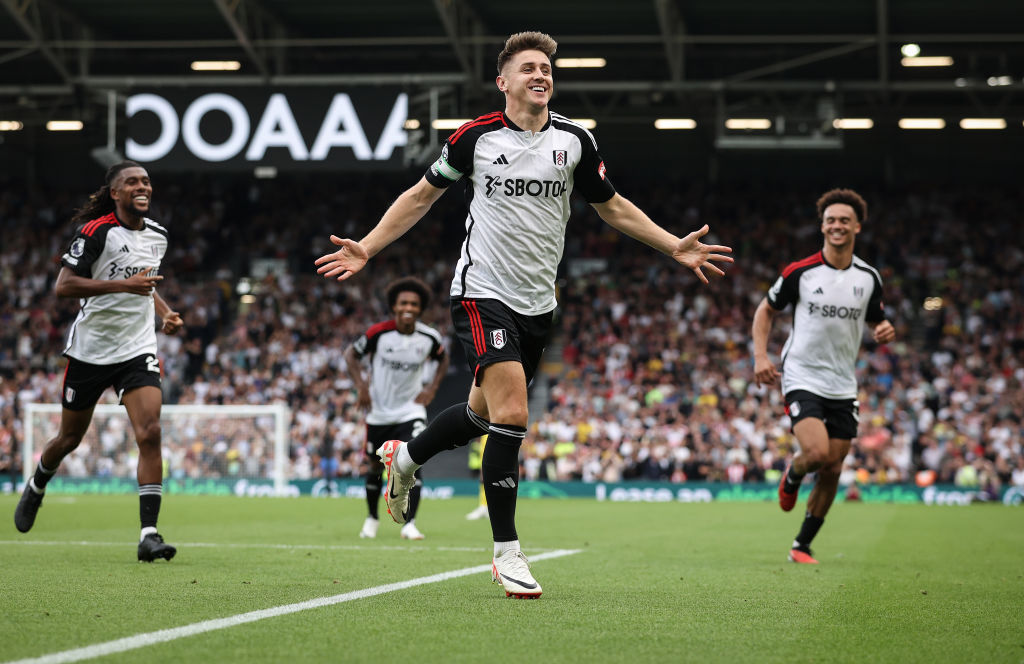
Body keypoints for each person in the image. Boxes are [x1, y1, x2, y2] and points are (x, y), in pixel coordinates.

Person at [316, 30, 733, 598]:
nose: (542, 75)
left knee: (479, 416)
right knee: (511, 415)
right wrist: (367, 246)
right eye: (530, 68)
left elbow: (611, 207)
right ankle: (507, 552)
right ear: (503, 81)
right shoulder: (475, 139)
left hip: (540, 303)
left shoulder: (575, 141)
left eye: (548, 69)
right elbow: (420, 196)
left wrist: (672, 245)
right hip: (482, 289)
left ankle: (406, 457)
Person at [13, 161, 183, 563]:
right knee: (69, 439)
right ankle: (38, 482)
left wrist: (163, 310)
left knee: (151, 431)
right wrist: (124, 285)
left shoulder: (157, 236)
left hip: (136, 348)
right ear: (116, 193)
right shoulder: (96, 232)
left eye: (145, 181)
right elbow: (65, 285)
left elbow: (145, 282)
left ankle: (149, 534)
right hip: (91, 351)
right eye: (131, 182)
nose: (142, 186)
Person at [752, 188, 895, 564]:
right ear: (823, 225)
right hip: (802, 374)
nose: (837, 226)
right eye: (831, 220)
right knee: (814, 453)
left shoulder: (869, 277)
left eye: (844, 220)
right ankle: (793, 474)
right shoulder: (800, 272)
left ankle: (801, 546)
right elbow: (765, 311)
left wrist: (884, 329)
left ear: (857, 227)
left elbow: (878, 319)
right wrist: (760, 356)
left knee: (833, 467)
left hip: (843, 383)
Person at [345, 277, 449, 541]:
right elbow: (350, 355)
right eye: (403, 302)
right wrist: (361, 386)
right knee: (373, 466)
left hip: (410, 410)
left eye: (414, 304)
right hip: (379, 412)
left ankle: (409, 524)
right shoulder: (378, 333)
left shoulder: (429, 337)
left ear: (420, 308)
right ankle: (371, 519)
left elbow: (443, 357)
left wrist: (433, 388)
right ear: (394, 306)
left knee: (415, 461)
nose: (409, 308)